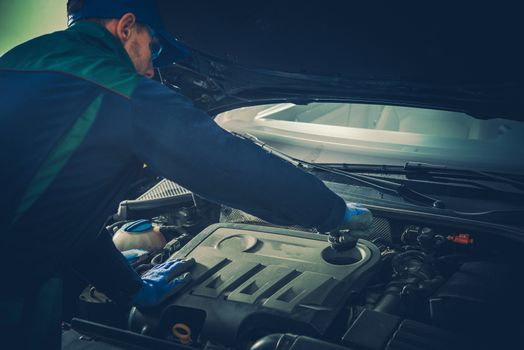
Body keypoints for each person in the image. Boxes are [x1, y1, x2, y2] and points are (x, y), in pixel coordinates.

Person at [0, 0, 372, 348]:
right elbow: (227, 164)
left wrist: (128, 288)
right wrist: (330, 211)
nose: (150, 69)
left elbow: (57, 211)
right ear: (127, 27)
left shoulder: (18, 61)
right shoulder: (121, 90)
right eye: (154, 49)